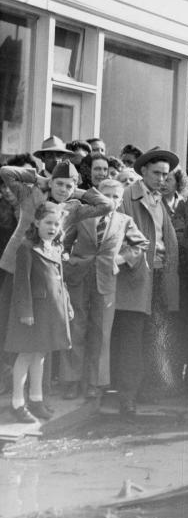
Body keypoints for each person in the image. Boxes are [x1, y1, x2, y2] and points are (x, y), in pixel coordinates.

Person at [60, 180, 149, 400]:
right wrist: (68, 261)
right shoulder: (82, 216)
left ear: (120, 201)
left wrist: (120, 258)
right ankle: (71, 381)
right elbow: (63, 242)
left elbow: (141, 244)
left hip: (106, 281)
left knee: (101, 333)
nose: (111, 199)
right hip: (78, 279)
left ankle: (94, 383)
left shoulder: (125, 221)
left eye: (116, 196)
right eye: (106, 194)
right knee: (76, 328)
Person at [115, 147, 181, 416]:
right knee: (130, 336)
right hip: (135, 276)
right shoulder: (127, 197)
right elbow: (116, 235)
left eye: (166, 175)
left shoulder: (159, 200)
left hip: (158, 276)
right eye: (157, 173)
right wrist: (131, 259)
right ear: (142, 171)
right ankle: (126, 396)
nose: (162, 179)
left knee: (152, 336)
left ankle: (144, 389)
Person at [6, 201, 72, 423]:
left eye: (56, 224)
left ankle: (36, 399)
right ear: (36, 222)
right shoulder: (26, 248)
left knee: (40, 355)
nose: (52, 228)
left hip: (50, 312)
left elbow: (61, 282)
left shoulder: (55, 248)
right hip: (32, 313)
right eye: (48, 223)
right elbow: (21, 283)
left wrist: (68, 305)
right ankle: (17, 403)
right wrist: (25, 311)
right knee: (25, 355)